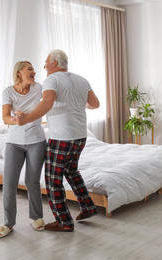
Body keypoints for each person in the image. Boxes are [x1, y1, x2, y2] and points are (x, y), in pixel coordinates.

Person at [17, 49, 100, 232]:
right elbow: (95, 104)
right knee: (72, 171)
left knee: (53, 179)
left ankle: (64, 222)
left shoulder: (52, 80)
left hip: (62, 137)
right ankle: (87, 207)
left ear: (54, 63)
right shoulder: (81, 79)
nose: (44, 66)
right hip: (80, 136)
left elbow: (46, 103)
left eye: (46, 62)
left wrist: (27, 118)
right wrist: (78, 105)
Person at [0, 61, 46, 238]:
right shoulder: (8, 92)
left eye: (34, 69)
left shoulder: (39, 88)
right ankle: (8, 223)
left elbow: (49, 101)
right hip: (14, 142)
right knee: (9, 183)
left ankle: (37, 217)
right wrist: (17, 119)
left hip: (37, 141)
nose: (34, 72)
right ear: (19, 72)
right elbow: (5, 118)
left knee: (32, 182)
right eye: (30, 69)